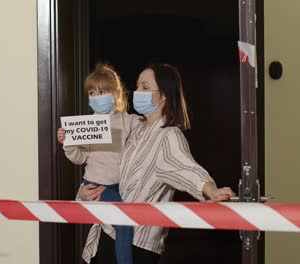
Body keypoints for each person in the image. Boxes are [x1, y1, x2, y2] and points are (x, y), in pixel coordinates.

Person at [78, 63, 236, 264]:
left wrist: (210, 190)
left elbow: (186, 168)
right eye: (137, 87)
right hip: (105, 233)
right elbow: (104, 168)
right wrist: (83, 193)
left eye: (145, 87)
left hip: (137, 244)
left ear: (163, 95)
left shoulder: (168, 135)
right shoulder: (134, 131)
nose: (137, 92)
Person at [57, 64, 140, 264]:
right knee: (124, 222)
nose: (96, 96)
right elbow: (78, 158)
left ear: (116, 93)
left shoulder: (127, 121)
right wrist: (67, 143)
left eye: (102, 92)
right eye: (92, 93)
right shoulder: (87, 123)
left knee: (122, 225)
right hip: (95, 185)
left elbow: (148, 130)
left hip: (119, 185)